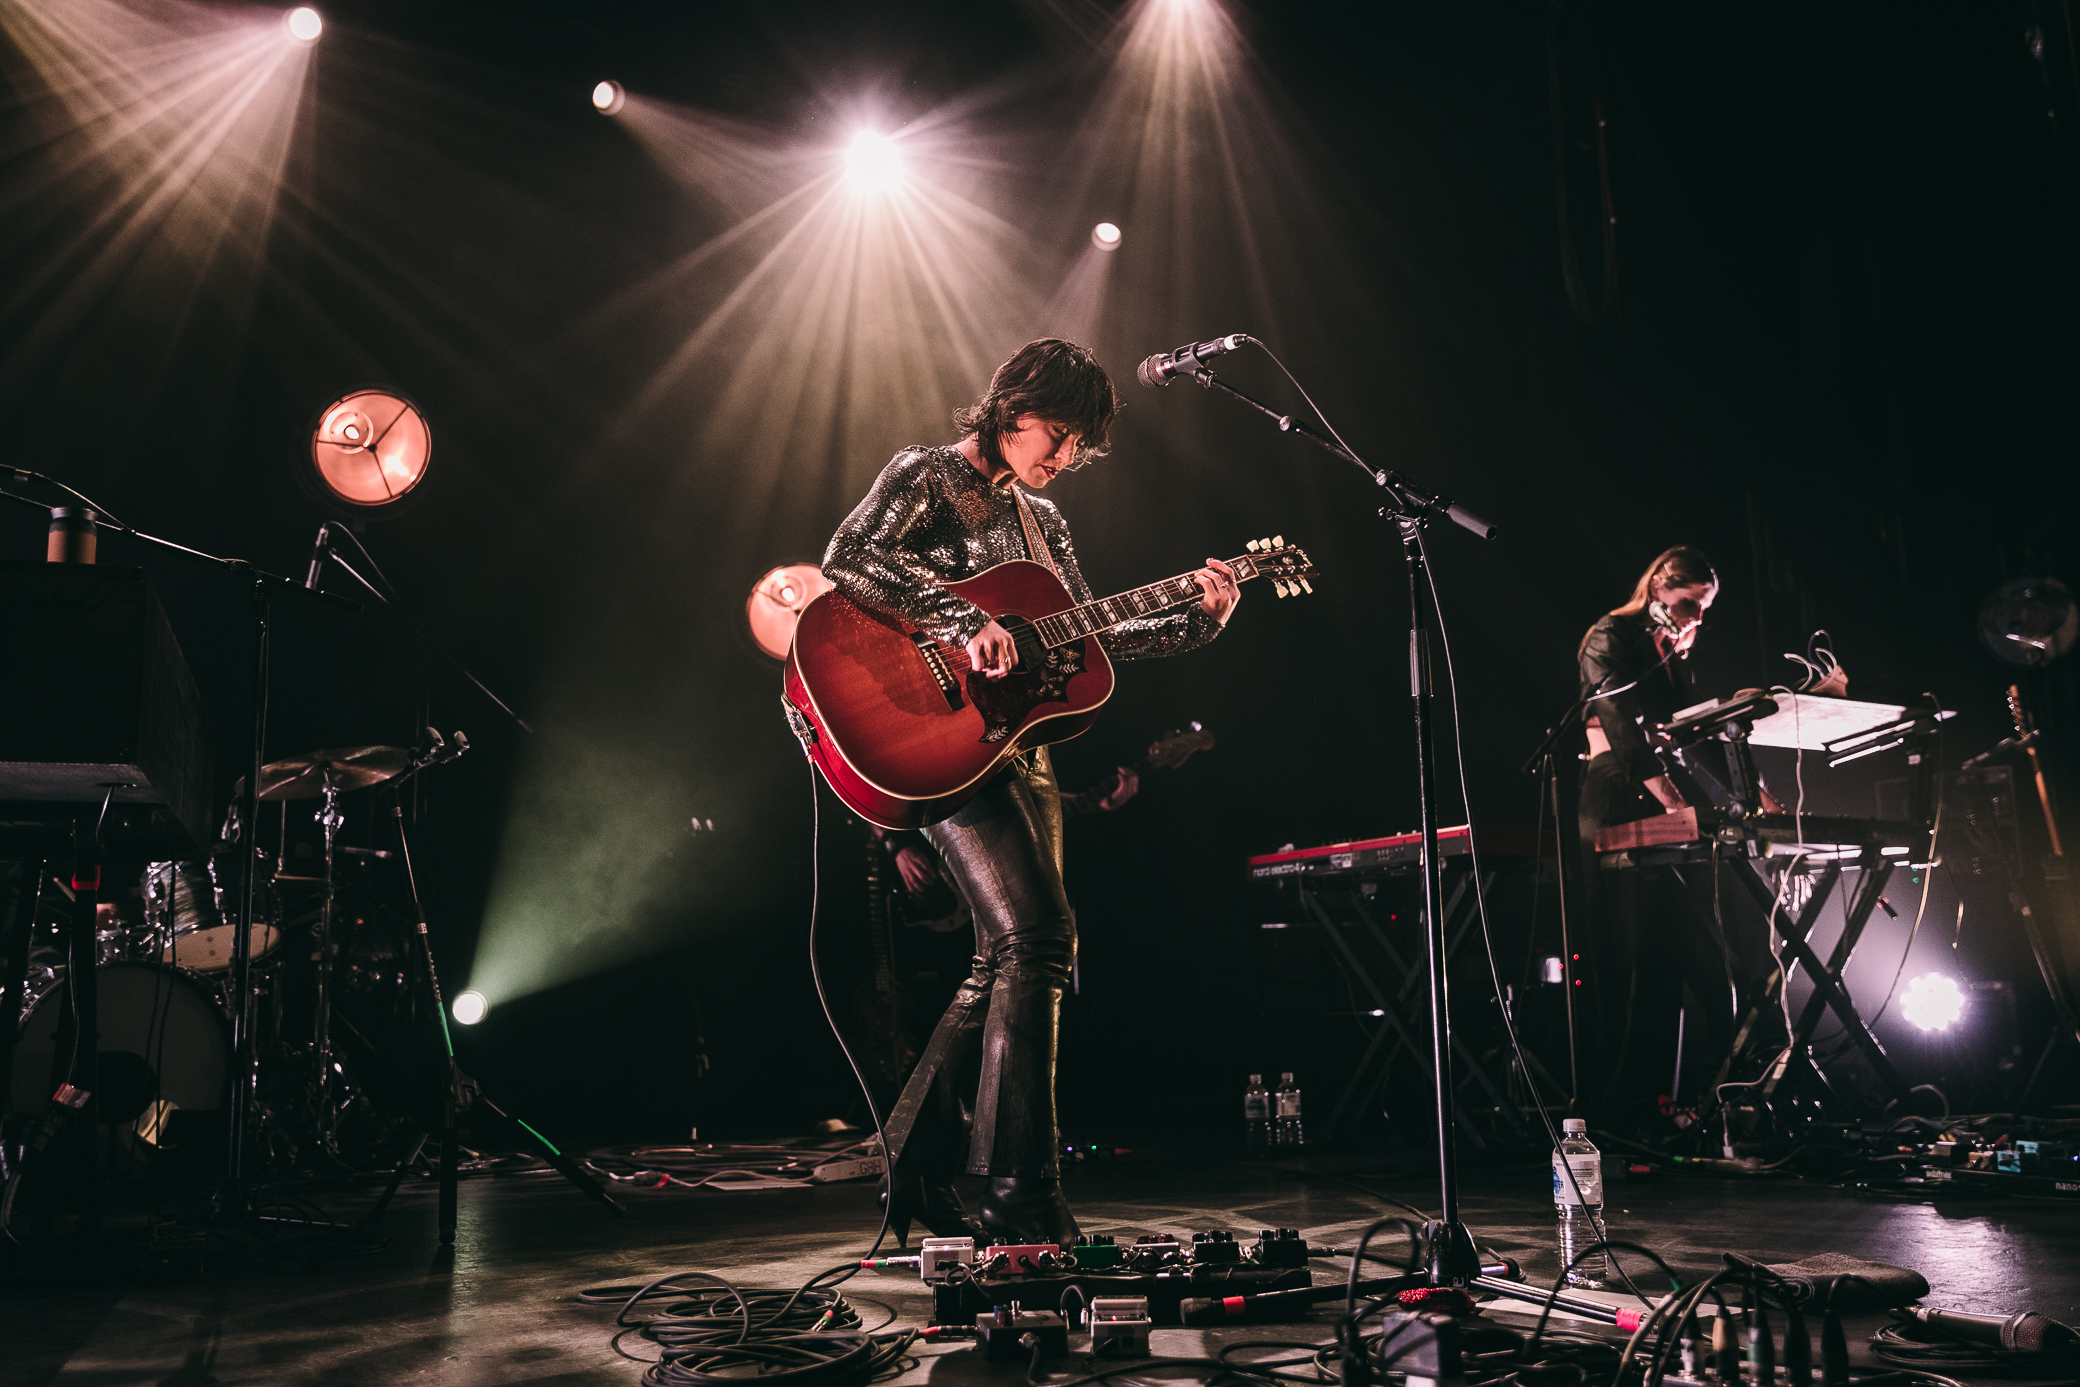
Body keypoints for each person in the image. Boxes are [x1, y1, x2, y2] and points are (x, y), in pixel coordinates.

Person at [820, 338, 1240, 1245]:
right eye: (1057, 433)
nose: (1063, 457)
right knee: (1040, 938)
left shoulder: (1047, 522)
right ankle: (1021, 1200)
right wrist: (964, 617)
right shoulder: (926, 472)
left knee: (1005, 955)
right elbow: (849, 555)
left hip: (1021, 750)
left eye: (1078, 446)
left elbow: (1093, 638)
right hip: (937, 733)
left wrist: (1195, 625)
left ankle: (914, 1167)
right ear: (1011, 406)